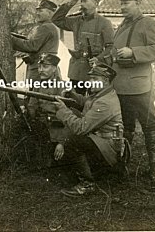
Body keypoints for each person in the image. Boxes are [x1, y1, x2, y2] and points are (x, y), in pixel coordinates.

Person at [112, 0, 155, 182]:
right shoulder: (121, 26)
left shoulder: (148, 23)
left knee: (149, 124)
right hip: (121, 85)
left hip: (141, 87)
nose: (122, 7)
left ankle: (154, 166)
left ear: (138, 3)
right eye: (121, 3)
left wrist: (133, 52)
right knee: (125, 126)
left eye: (126, 3)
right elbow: (115, 52)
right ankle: (123, 164)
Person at [52, 63, 127, 197]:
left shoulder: (105, 103)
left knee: (73, 139)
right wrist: (73, 95)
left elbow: (80, 128)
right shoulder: (103, 93)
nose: (90, 83)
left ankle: (87, 184)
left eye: (95, 80)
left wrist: (63, 110)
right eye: (90, 79)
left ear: (105, 81)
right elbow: (87, 102)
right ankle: (95, 173)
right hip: (104, 142)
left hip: (109, 149)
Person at [52, 0, 114, 95]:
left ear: (95, 3)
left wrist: (98, 58)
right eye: (81, 1)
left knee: (92, 102)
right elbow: (56, 19)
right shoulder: (76, 21)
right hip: (77, 71)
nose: (82, 4)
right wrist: (69, 4)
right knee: (75, 101)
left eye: (85, 1)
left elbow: (111, 47)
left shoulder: (104, 23)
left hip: (94, 71)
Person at [27, 53, 69, 160]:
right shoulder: (38, 85)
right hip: (40, 128)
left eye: (45, 67)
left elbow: (70, 119)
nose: (41, 70)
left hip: (56, 133)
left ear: (55, 69)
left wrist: (62, 143)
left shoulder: (64, 88)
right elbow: (32, 107)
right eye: (39, 67)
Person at [11, 0, 59, 82]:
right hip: (45, 68)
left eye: (40, 11)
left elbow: (32, 46)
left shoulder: (45, 27)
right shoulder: (49, 26)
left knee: (35, 93)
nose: (37, 13)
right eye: (37, 11)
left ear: (49, 13)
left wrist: (11, 39)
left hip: (39, 69)